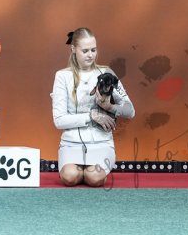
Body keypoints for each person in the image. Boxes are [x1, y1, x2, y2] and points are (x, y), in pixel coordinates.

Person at [51, 27, 135, 187]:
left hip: (101, 143)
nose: (90, 55)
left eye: (93, 50)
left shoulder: (107, 73)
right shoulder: (62, 76)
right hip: (71, 143)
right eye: (85, 51)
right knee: (70, 177)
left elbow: (130, 111)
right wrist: (92, 116)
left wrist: (109, 107)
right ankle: (79, 168)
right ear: (73, 49)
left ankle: (92, 169)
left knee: (94, 177)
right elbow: (59, 120)